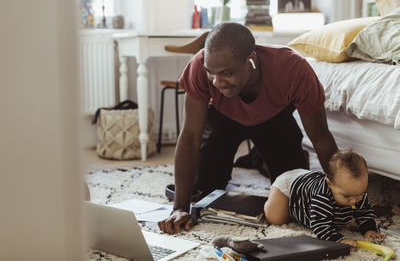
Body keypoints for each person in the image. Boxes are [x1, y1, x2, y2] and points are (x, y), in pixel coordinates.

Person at [158, 22, 338, 234]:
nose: (217, 82)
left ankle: (258, 157)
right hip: (222, 120)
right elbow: (189, 137)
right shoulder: (198, 66)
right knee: (204, 190)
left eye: (226, 73)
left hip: (274, 121)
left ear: (251, 60)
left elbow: (320, 137)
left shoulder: (293, 68)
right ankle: (257, 155)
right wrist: (179, 207)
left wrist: (342, 190)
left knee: (291, 195)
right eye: (211, 73)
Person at [264, 148, 386, 247]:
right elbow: (320, 225)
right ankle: (270, 198)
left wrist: (369, 228)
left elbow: (364, 212)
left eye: (360, 193)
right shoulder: (322, 197)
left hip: (308, 179)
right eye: (347, 196)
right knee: (275, 219)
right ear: (329, 184)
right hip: (290, 186)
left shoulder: (356, 192)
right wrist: (338, 239)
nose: (354, 200)